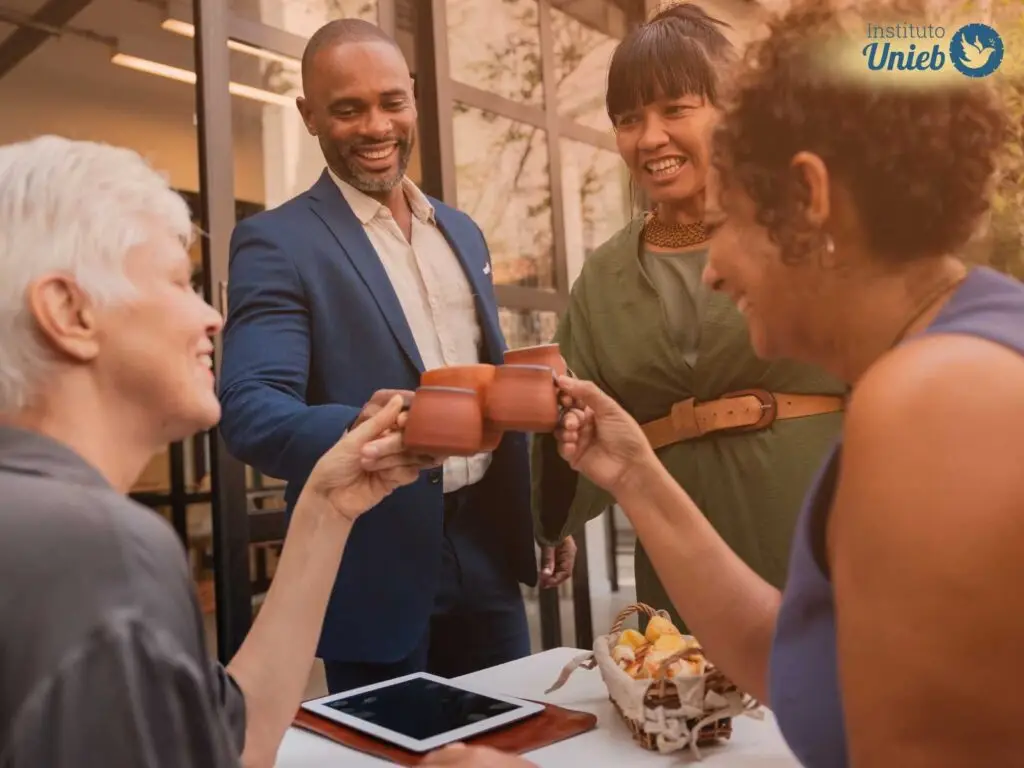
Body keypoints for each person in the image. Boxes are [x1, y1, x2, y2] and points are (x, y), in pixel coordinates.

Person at [547, 0, 1024, 765]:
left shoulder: (935, 403)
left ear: (809, 198)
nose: (712, 266)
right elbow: (804, 658)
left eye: (728, 215)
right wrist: (635, 474)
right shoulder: (951, 355)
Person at [0, 135, 436, 767]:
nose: (212, 318)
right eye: (180, 284)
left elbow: (231, 742)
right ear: (69, 311)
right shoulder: (103, 550)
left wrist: (326, 508)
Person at [218, 18, 576, 695]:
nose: (376, 125)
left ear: (413, 98)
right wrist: (360, 429)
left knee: (507, 740)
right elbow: (249, 409)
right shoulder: (277, 242)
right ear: (309, 116)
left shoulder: (461, 232)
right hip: (371, 559)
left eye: (390, 101)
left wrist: (540, 513)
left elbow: (490, 383)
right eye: (347, 109)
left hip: (487, 553)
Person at [532, 2, 844, 629]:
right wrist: (548, 513)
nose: (650, 138)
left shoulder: (812, 228)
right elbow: (574, 423)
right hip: (677, 571)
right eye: (628, 119)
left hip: (822, 537)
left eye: (676, 109)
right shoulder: (604, 276)